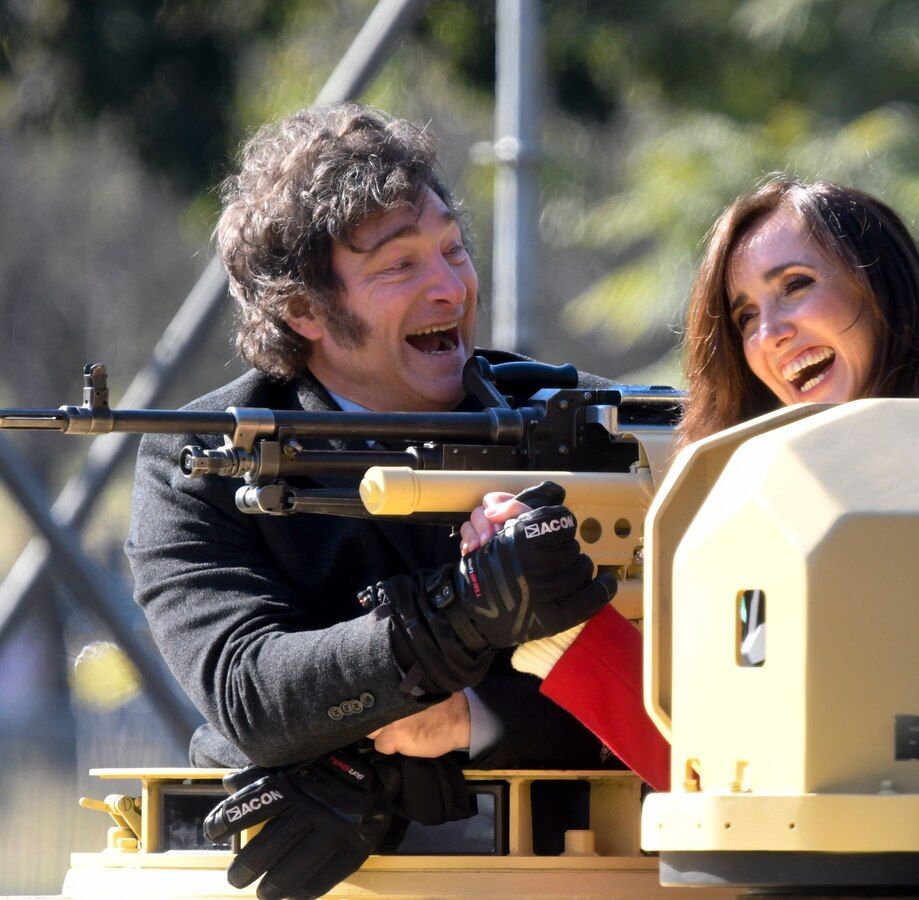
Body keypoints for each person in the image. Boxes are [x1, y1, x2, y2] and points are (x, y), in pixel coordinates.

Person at [458, 177, 919, 898]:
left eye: (796, 284)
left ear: (881, 283)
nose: (771, 333)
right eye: (745, 317)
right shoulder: (772, 506)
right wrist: (560, 622)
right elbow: (740, 775)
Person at [125, 102, 617, 898]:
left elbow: (682, 689)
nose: (449, 288)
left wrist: (458, 725)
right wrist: (462, 611)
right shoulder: (203, 460)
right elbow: (251, 693)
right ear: (304, 310)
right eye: (399, 266)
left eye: (454, 250)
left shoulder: (582, 427)